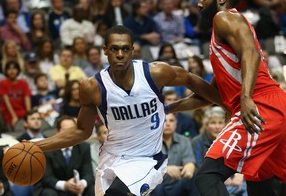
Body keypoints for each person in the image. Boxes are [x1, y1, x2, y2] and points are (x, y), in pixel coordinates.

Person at [33, 25, 222, 196]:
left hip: (147, 158)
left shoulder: (156, 73)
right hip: (111, 158)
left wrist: (226, 103)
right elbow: (82, 131)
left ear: (133, 50)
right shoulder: (93, 87)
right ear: (105, 51)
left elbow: (194, 84)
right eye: (114, 49)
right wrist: (37, 146)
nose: (120, 54)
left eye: (125, 48)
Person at [168, 0, 286, 195]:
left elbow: (251, 53)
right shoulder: (223, 39)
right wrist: (168, 108)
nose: (199, 3)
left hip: (260, 105)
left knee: (207, 176)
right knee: (259, 183)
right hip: (273, 106)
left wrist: (246, 97)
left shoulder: (224, 17)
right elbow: (208, 96)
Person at [192, 106, 248, 196]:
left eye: (220, 123)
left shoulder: (234, 138)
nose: (217, 127)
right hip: (212, 180)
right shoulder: (197, 141)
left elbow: (243, 160)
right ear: (206, 125)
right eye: (213, 123)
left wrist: (241, 175)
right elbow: (199, 166)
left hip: (236, 181)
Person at [38, 115, 94, 196]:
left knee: (93, 189)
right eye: (65, 130)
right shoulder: (48, 150)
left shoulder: (84, 147)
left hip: (79, 188)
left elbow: (88, 173)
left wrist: (82, 184)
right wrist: (65, 185)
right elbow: (47, 178)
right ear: (57, 132)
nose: (70, 134)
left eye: (72, 130)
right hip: (58, 189)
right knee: (48, 193)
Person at [151, 113, 198, 196]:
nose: (168, 124)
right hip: (157, 186)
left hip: (177, 185)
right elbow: (145, 167)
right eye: (164, 120)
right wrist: (165, 169)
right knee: (157, 187)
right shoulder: (150, 142)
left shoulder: (184, 140)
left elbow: (189, 161)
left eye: (171, 120)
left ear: (176, 124)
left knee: (194, 176)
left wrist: (190, 165)